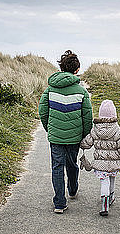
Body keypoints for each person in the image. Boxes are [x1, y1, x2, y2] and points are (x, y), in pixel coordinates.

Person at [38, 50, 92, 214]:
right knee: (72, 163)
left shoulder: (50, 90)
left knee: (57, 167)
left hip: (56, 138)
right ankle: (73, 189)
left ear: (61, 68)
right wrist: (84, 134)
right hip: (74, 137)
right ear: (77, 70)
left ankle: (59, 203)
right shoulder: (82, 91)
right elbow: (87, 117)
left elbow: (43, 112)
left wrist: (50, 129)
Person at [80, 99, 120, 216]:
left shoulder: (95, 129)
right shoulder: (118, 131)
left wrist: (81, 144)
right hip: (115, 164)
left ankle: (104, 205)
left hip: (100, 164)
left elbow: (87, 143)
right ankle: (111, 197)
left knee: (104, 182)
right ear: (114, 114)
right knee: (112, 179)